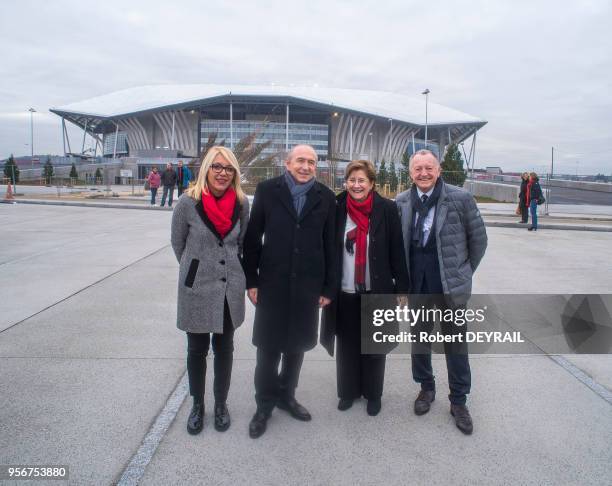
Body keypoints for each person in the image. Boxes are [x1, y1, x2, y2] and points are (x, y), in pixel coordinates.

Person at [243, 144, 336, 438]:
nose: (305, 166)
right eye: (300, 161)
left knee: (296, 348)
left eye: (311, 162)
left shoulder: (326, 197)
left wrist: (328, 288)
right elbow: (253, 238)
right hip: (272, 284)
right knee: (268, 350)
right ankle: (264, 404)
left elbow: (331, 245)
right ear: (287, 163)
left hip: (308, 286)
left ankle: (287, 396)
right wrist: (252, 280)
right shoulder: (268, 191)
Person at [396, 149, 487, 435]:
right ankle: (426, 387)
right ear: (410, 173)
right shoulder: (401, 202)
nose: (423, 173)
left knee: (455, 344)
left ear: (439, 169)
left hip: (450, 286)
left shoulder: (460, 199)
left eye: (428, 167)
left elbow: (479, 241)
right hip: (417, 286)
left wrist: (462, 273)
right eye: (417, 168)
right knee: (420, 341)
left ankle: (459, 400)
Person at [170, 146, 250, 435]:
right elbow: (178, 243)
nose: (222, 173)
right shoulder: (187, 203)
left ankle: (220, 405)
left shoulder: (242, 205)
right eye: (216, 166)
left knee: (224, 348)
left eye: (228, 168)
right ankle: (197, 405)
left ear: (234, 174)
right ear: (206, 169)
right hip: (197, 288)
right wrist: (195, 270)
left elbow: (241, 245)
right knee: (196, 349)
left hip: (229, 287)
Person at [321, 160, 409, 416]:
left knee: (374, 346)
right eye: (352, 180)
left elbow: (396, 249)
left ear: (371, 184)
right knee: (347, 345)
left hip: (376, 289)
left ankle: (373, 394)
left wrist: (402, 287)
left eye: (362, 181)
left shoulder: (386, 209)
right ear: (346, 182)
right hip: (345, 290)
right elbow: (326, 249)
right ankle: (348, 392)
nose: (356, 185)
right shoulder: (336, 207)